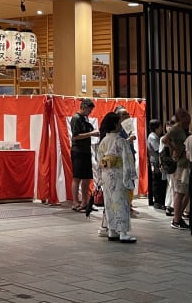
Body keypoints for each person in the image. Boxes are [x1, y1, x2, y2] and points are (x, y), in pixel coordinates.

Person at [94, 112, 136, 242]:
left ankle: (112, 231)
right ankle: (123, 232)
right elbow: (128, 160)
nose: (121, 125)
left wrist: (99, 178)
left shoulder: (104, 141)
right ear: (115, 125)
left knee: (110, 202)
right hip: (118, 174)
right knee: (121, 202)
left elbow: (99, 160)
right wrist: (130, 176)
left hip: (107, 174)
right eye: (119, 123)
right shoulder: (121, 141)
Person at [162, 108, 191, 229]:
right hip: (181, 164)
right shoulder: (176, 129)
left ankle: (178, 217)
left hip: (185, 163)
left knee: (185, 192)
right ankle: (177, 219)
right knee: (180, 192)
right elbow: (164, 139)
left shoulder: (182, 129)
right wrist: (174, 149)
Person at [70, 98, 98, 212]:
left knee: (87, 178)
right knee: (77, 178)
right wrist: (91, 133)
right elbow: (75, 136)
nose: (90, 113)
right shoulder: (76, 118)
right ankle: (75, 202)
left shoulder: (84, 118)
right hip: (78, 151)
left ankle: (85, 202)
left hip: (86, 150)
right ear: (83, 107)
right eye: (89, 110)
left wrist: (93, 133)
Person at [146, 119, 166, 210]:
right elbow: (158, 149)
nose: (162, 128)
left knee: (159, 181)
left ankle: (160, 200)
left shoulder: (154, 136)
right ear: (156, 128)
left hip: (156, 161)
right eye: (160, 126)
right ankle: (157, 201)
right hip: (155, 162)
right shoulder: (153, 137)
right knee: (157, 181)